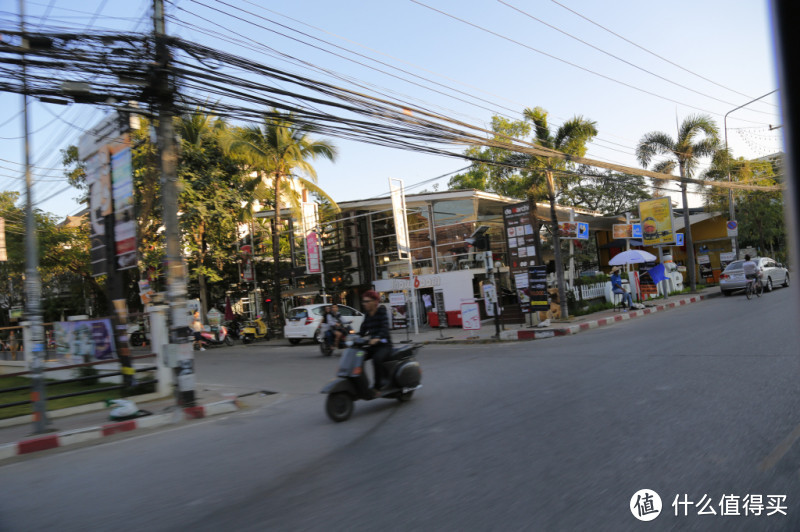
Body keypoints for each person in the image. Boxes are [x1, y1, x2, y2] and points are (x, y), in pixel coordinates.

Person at [359, 290, 392, 397]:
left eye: (367, 301)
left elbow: (385, 327)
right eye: (363, 302)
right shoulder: (367, 315)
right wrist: (352, 337)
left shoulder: (381, 311)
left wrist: (377, 338)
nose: (364, 304)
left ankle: (378, 386)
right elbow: (362, 330)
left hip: (384, 344)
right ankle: (361, 386)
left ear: (375, 302)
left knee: (376, 359)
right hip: (373, 346)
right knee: (358, 356)